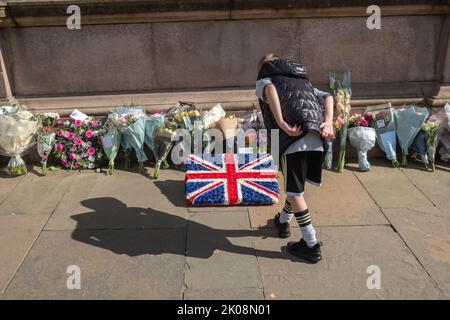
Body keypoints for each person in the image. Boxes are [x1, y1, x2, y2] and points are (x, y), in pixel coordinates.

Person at [255, 53, 334, 263]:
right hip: (316, 138)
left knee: (294, 192)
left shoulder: (266, 79)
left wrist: (281, 123)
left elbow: (270, 90)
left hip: (292, 141)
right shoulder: (301, 80)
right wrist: (328, 122)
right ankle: (283, 221)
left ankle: (311, 244)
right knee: (295, 188)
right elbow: (327, 97)